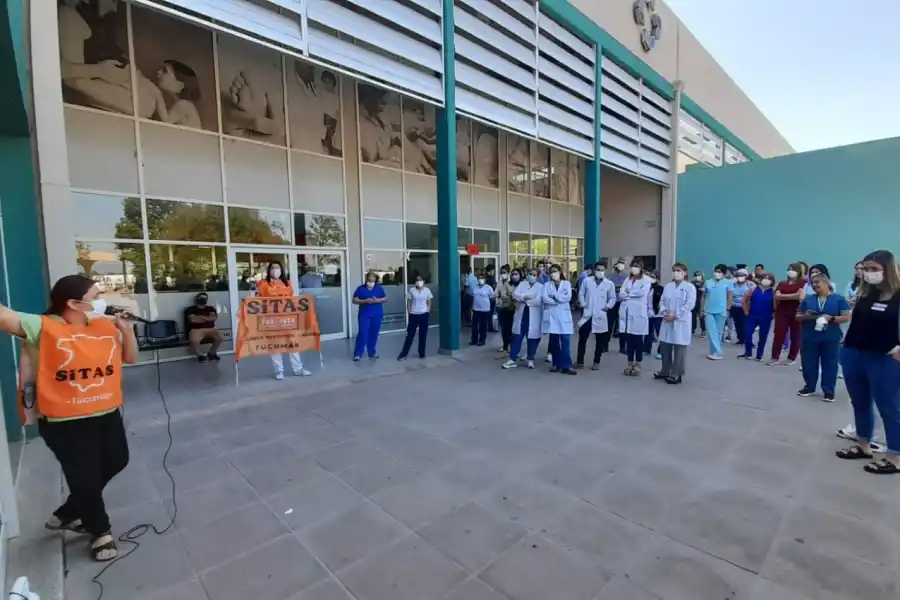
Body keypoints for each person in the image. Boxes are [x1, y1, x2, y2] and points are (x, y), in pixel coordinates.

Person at [1, 274, 138, 561]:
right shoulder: (43, 326)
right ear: (74, 303)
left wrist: (126, 330)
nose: (101, 300)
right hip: (65, 421)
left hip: (106, 412)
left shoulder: (104, 326)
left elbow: (132, 358)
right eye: (95, 296)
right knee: (84, 477)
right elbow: (5, 317)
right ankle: (101, 532)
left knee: (117, 461)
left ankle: (70, 511)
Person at [836, 250, 900, 474]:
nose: (868, 273)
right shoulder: (866, 292)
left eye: (874, 269)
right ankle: (863, 444)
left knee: (890, 407)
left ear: (888, 270)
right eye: (866, 269)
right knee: (860, 402)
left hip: (884, 358)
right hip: (854, 353)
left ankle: (895, 456)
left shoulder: (897, 295)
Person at [796, 273, 850, 402]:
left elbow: (846, 317)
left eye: (817, 282)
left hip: (830, 337)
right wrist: (806, 316)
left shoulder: (839, 299)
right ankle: (809, 387)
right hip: (810, 336)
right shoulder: (808, 300)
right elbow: (797, 316)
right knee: (808, 363)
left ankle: (829, 391)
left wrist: (831, 318)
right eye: (813, 283)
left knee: (830, 364)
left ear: (827, 284)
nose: (815, 285)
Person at [258, 262, 311, 378]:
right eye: (273, 268)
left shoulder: (287, 283)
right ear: (269, 270)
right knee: (276, 345)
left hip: (288, 319)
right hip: (273, 320)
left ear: (281, 270)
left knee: (293, 344)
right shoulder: (264, 284)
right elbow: (259, 300)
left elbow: (291, 300)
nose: (275, 270)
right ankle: (279, 371)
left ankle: (298, 369)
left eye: (277, 268)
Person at [654, 263, 697, 384]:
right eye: (674, 270)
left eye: (678, 270)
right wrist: (664, 312)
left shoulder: (689, 287)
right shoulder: (668, 286)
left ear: (685, 272)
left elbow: (690, 304)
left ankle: (677, 373)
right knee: (665, 345)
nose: (676, 273)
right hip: (667, 318)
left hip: (681, 320)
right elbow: (662, 301)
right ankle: (665, 370)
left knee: (679, 347)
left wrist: (676, 314)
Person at [576, 262, 616, 370]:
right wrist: (584, 304)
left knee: (600, 340)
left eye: (602, 270)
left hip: (601, 314)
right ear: (594, 270)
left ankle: (596, 361)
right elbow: (581, 293)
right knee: (582, 338)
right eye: (598, 269)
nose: (600, 271)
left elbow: (612, 297)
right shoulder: (587, 281)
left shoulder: (609, 284)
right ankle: (580, 361)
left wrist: (607, 307)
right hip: (588, 314)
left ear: (605, 271)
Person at [503, 268, 543, 369]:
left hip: (533, 316)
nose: (532, 276)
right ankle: (512, 359)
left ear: (537, 276)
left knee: (532, 339)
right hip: (522, 314)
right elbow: (515, 295)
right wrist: (525, 298)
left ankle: (530, 359)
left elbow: (539, 301)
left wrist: (525, 299)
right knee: (517, 337)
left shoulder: (541, 287)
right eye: (530, 274)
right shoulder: (522, 284)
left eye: (534, 275)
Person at [619, 259, 651, 376]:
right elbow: (621, 293)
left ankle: (638, 363)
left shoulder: (646, 280)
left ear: (641, 268)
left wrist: (629, 293)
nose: (634, 268)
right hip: (627, 313)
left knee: (638, 341)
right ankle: (629, 363)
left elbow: (642, 293)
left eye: (637, 266)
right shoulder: (627, 279)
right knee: (629, 340)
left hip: (639, 313)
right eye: (633, 266)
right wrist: (630, 293)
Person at [542, 264, 576, 375]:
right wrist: (558, 299)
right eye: (551, 272)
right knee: (554, 343)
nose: (553, 274)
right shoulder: (547, 285)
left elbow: (568, 297)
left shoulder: (566, 284)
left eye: (555, 271)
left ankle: (567, 366)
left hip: (564, 317)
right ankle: (556, 364)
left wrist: (555, 297)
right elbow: (544, 298)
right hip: (552, 317)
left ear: (560, 272)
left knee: (566, 343)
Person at [769, 263, 804, 366]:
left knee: (796, 335)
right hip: (782, 312)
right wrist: (793, 296)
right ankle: (775, 357)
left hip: (796, 312)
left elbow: (800, 296)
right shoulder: (782, 283)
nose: (790, 271)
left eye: (793, 269)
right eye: (789, 269)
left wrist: (783, 296)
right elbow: (776, 296)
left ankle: (791, 357)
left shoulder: (802, 283)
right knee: (779, 334)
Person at [738, 273, 775, 361]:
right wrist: (746, 311)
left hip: (766, 317)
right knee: (747, 333)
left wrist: (773, 314)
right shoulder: (753, 288)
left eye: (769, 279)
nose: (766, 280)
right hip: (752, 315)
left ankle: (759, 355)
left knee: (763, 336)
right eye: (765, 278)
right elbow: (744, 299)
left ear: (772, 281)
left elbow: (776, 305)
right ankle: (748, 353)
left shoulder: (773, 291)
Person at [352, 272, 387, 361]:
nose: (371, 282)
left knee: (374, 333)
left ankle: (372, 353)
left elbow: (385, 299)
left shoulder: (379, 288)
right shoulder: (360, 289)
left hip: (377, 314)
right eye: (369, 280)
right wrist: (365, 301)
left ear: (375, 280)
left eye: (373, 280)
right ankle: (358, 353)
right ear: (366, 279)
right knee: (363, 333)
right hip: (365, 314)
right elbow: (355, 300)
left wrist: (377, 300)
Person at [702, 264, 733, 360]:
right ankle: (717, 350)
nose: (717, 273)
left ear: (724, 273)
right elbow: (703, 296)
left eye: (720, 272)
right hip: (709, 310)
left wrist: (728, 308)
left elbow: (730, 296)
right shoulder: (708, 282)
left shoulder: (728, 282)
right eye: (716, 271)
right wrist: (702, 309)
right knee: (711, 331)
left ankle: (714, 352)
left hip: (721, 310)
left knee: (719, 332)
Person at [397, 275, 432, 360]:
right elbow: (408, 302)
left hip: (424, 314)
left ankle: (422, 353)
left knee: (423, 335)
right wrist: (409, 313)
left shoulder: (427, 290)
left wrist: (428, 311)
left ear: (423, 281)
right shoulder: (412, 290)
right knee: (410, 335)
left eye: (420, 280)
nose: (418, 281)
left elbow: (429, 301)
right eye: (417, 280)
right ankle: (403, 353)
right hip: (414, 314)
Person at [183, 292, 223, 362]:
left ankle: (212, 353)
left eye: (205, 298)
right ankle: (200, 355)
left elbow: (213, 318)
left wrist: (200, 317)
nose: (203, 299)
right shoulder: (190, 309)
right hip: (196, 329)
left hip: (211, 329)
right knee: (194, 340)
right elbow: (193, 320)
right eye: (201, 298)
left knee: (220, 337)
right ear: (197, 299)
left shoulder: (211, 308)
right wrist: (207, 318)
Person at [494, 265, 517, 354]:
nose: (503, 274)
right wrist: (501, 296)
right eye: (501, 273)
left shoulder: (511, 282)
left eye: (504, 273)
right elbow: (496, 293)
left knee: (510, 328)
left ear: (508, 273)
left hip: (510, 308)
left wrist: (505, 296)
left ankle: (512, 346)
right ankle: (505, 346)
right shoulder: (499, 283)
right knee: (503, 328)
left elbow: (513, 294)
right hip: (501, 307)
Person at [729, 269, 753, 346]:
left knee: (747, 324)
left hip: (745, 307)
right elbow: (729, 295)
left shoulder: (750, 284)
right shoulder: (733, 284)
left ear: (746, 276)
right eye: (738, 275)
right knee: (737, 323)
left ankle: (749, 340)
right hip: (735, 306)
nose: (740, 277)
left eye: (741, 275)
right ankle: (741, 339)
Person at [609, 259, 629, 352]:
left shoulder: (627, 276)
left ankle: (622, 347)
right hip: (612, 302)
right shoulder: (610, 275)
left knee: (622, 324)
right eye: (619, 263)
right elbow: (609, 288)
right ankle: (605, 345)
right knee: (609, 324)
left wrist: (618, 288)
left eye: (622, 263)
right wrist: (619, 288)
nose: (621, 265)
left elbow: (627, 289)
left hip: (623, 302)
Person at [644, 271, 664, 359]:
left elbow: (662, 301)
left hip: (658, 314)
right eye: (650, 277)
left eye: (653, 277)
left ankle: (661, 351)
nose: (651, 279)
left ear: (657, 278)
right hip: (648, 313)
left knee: (660, 333)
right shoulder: (646, 288)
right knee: (648, 332)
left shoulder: (660, 289)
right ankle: (646, 349)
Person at [469, 273, 493, 347]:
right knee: (474, 326)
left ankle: (482, 340)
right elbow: (473, 297)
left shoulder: (488, 288)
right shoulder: (475, 288)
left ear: (485, 280)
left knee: (483, 326)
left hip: (485, 310)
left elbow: (491, 297)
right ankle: (474, 340)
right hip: (476, 309)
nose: (480, 280)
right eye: (479, 278)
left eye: (482, 278)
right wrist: (472, 307)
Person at [692, 271, 706, 337]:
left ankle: (703, 330)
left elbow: (706, 291)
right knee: (693, 316)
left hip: (701, 302)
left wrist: (703, 289)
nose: (698, 277)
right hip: (694, 302)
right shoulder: (692, 283)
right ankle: (693, 329)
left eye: (699, 275)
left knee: (701, 316)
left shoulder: (704, 283)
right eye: (696, 275)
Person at [485, 264, 499, 333]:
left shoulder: (490, 278)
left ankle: (489, 327)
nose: (494, 272)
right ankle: (489, 327)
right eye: (493, 270)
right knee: (489, 314)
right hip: (490, 299)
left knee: (490, 314)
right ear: (489, 271)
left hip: (491, 298)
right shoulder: (489, 279)